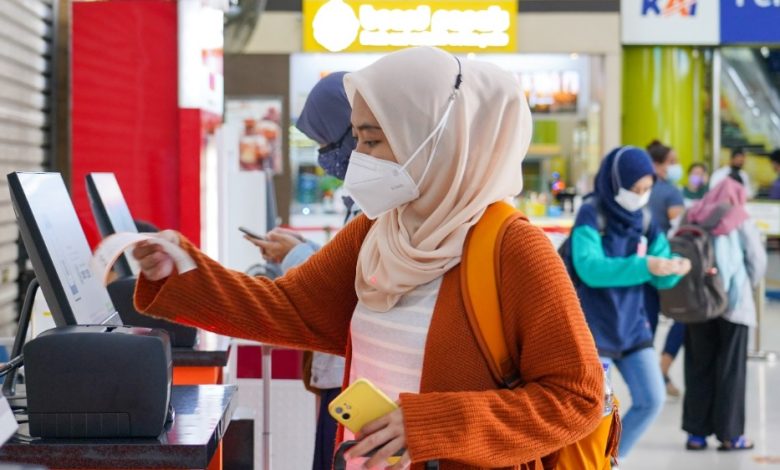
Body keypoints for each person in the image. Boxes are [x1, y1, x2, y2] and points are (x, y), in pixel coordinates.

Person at [131, 46, 605, 470]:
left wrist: (430, 426)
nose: (358, 157)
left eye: (372, 140)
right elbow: (289, 309)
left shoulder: (513, 249)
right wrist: (183, 271)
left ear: (435, 139)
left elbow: (575, 397)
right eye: (356, 138)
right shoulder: (378, 230)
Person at [243, 71, 356, 470]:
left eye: (329, 141)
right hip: (343, 378)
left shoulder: (385, 199)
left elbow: (352, 287)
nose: (325, 155)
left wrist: (296, 257)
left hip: (354, 384)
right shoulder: (363, 196)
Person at [570, 146, 691, 458]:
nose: (640, 196)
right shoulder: (591, 212)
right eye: (634, 189)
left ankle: (608, 460)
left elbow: (659, 265)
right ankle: (589, 461)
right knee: (593, 411)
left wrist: (673, 268)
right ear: (615, 183)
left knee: (652, 398)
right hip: (594, 329)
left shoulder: (645, 218)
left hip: (633, 326)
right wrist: (644, 266)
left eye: (647, 189)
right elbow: (590, 268)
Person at [682, 178, 766, 451]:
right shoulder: (739, 217)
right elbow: (756, 260)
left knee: (698, 367)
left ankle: (696, 434)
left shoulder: (692, 212)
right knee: (731, 371)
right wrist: (744, 287)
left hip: (698, 303)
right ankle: (731, 436)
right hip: (733, 304)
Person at [644, 140, 687, 397]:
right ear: (658, 164)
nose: (676, 167)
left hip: (642, 266)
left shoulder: (642, 189)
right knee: (682, 317)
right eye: (672, 162)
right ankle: (662, 367)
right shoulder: (670, 192)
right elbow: (679, 227)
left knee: (647, 323)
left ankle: (650, 374)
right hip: (668, 264)